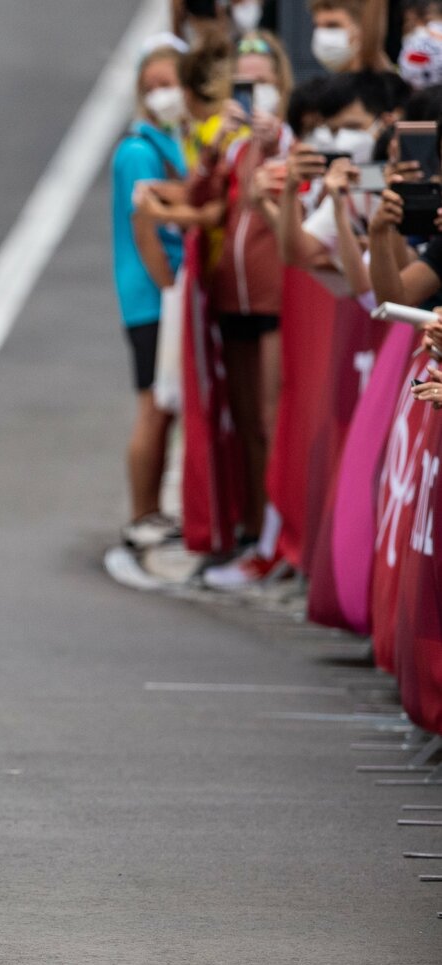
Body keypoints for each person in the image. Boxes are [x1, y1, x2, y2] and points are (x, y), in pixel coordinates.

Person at [185, 31, 295, 582]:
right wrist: (210, 155)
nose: (254, 94)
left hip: (277, 296)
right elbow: (199, 206)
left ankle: (279, 542)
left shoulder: (291, 140)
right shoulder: (226, 144)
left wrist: (277, 144)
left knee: (275, 420)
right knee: (249, 422)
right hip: (231, 294)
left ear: (280, 85)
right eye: (244, 82)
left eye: (263, 81)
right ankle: (254, 532)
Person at [112, 42, 190, 550]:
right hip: (152, 296)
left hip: (163, 293)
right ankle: (142, 512)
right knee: (154, 406)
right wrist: (169, 285)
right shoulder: (140, 150)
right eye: (153, 85)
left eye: (171, 83)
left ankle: (154, 509)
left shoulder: (171, 142)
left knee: (166, 405)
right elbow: (147, 219)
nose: (163, 94)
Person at [308, 0, 395, 73]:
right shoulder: (317, 90)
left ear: (361, 27)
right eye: (316, 26)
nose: (323, 34)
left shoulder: (390, 89)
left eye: (332, 26)